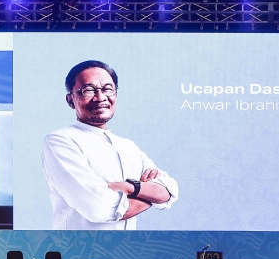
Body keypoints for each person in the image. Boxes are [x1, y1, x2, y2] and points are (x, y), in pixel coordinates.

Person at [43, 60, 179, 229]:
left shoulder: (128, 147)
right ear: (70, 100)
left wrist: (129, 187)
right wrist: (149, 197)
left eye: (107, 89)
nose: (100, 97)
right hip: (79, 245)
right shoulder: (60, 141)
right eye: (88, 90)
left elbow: (170, 190)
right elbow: (98, 209)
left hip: (127, 245)